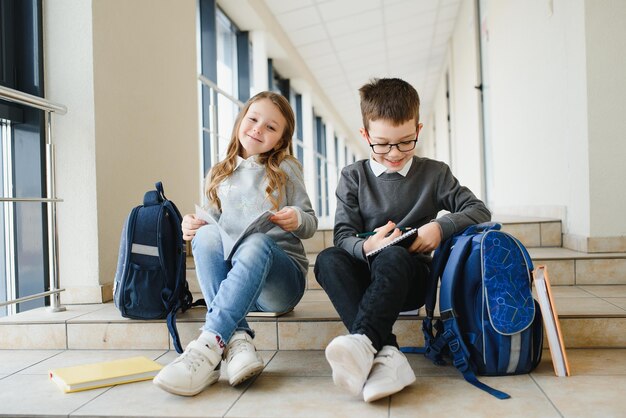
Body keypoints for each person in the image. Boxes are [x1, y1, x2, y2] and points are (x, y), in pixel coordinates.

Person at [314, 78, 491, 402]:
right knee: (327, 260)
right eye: (382, 144)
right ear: (365, 135)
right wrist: (367, 246)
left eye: (405, 142)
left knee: (392, 256)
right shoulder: (353, 176)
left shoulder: (435, 174)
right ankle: (387, 355)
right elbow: (342, 236)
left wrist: (440, 227)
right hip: (368, 276)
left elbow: (479, 210)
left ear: (418, 129)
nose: (394, 154)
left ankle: (364, 341)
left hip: (409, 277)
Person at [154, 91, 318, 396]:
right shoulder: (220, 173)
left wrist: (296, 217)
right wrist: (190, 225)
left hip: (279, 285)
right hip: (238, 285)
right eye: (253, 119)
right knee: (205, 235)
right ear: (241, 121)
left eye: (271, 127)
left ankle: (207, 346)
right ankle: (238, 338)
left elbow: (310, 222)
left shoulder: (286, 167)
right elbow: (210, 225)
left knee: (256, 242)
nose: (258, 129)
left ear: (281, 140)